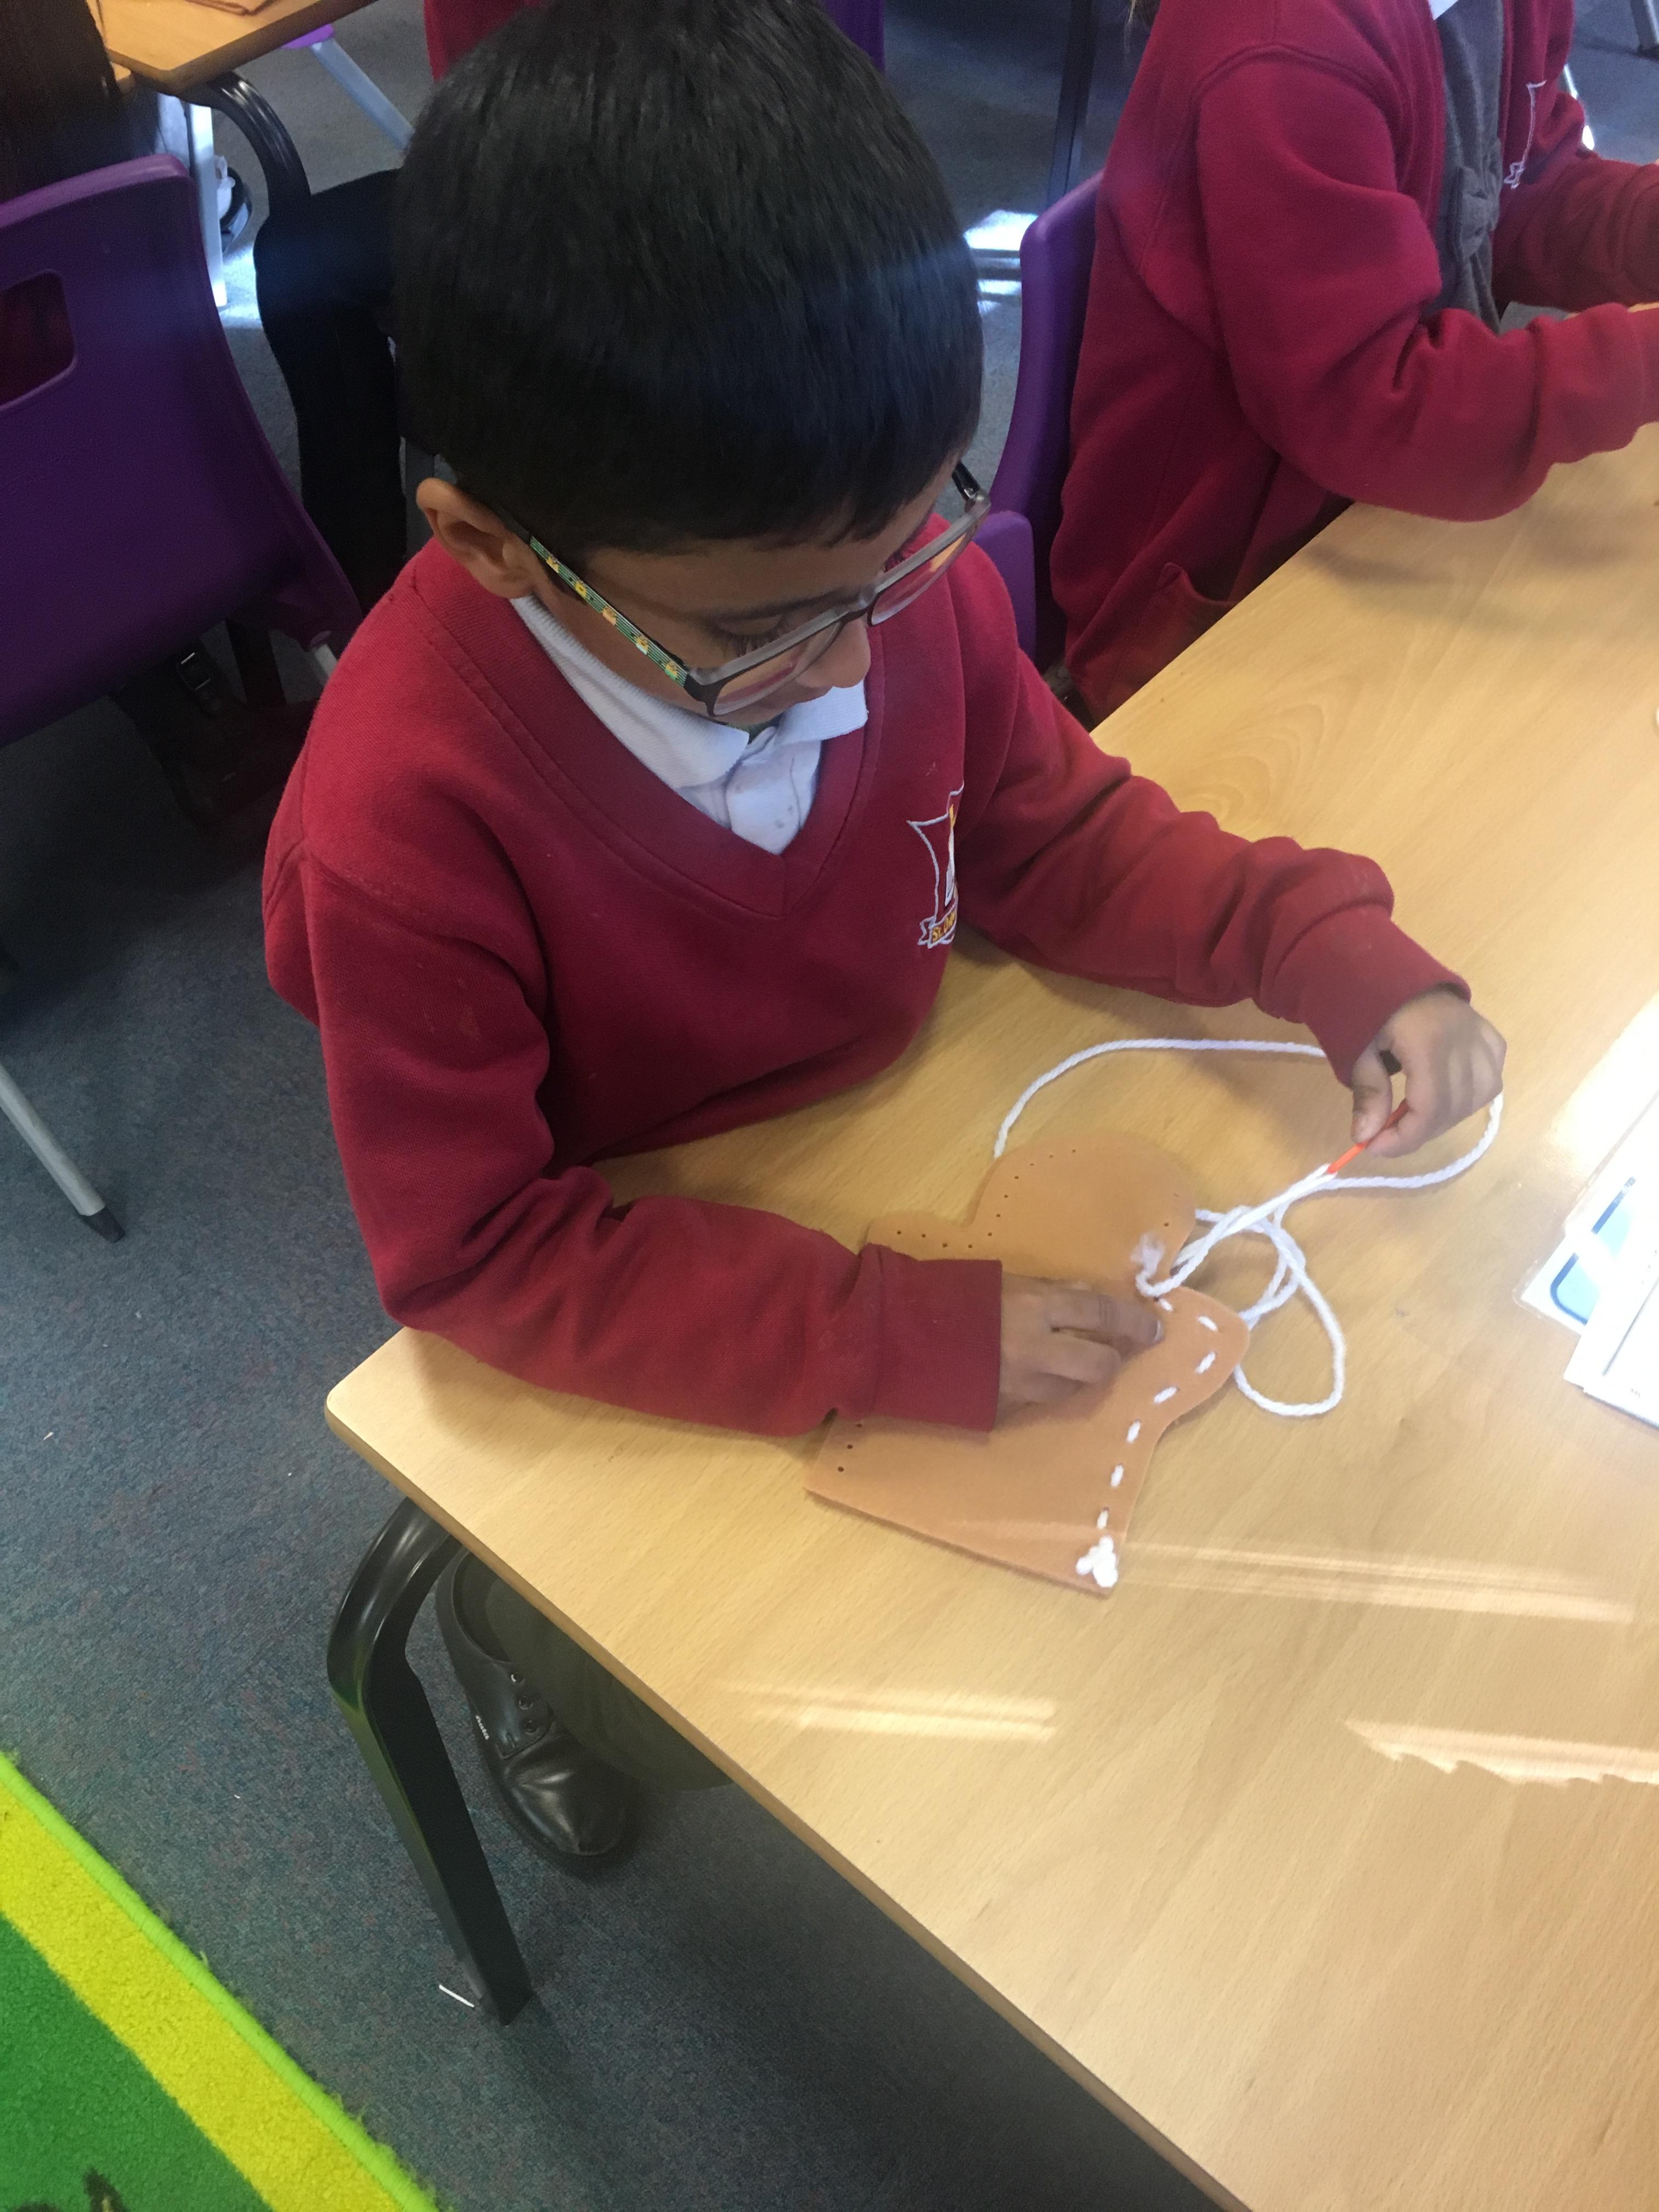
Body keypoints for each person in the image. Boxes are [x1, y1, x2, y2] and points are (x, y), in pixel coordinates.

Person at [263, 0, 1505, 1865]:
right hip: (643, 1257)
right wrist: (878, 1332)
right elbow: (479, 1254)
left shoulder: (874, 590)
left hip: (877, 1154)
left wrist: (1319, 944)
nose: (856, 663)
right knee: (703, 1689)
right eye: (757, 635)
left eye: (911, 551)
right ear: (496, 546)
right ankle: (523, 1651)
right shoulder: (403, 826)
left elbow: (1056, 830)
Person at [1052, 0, 1659, 719]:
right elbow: (1370, 405)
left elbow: (1520, 191)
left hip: (1391, 520)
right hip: (1214, 616)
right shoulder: (1285, 39)